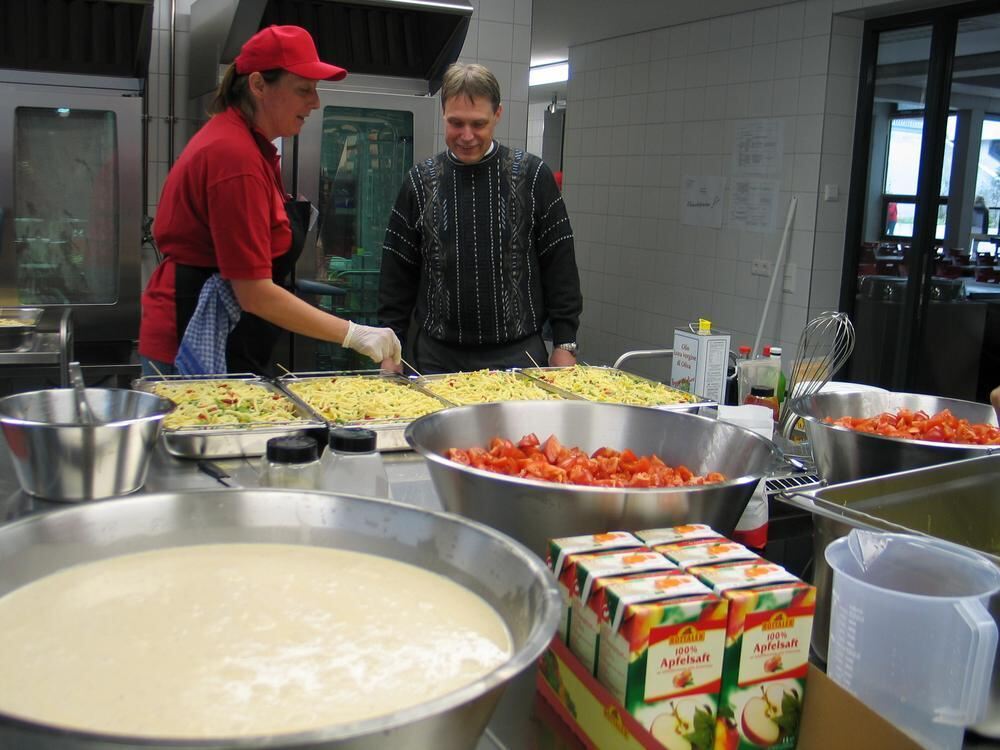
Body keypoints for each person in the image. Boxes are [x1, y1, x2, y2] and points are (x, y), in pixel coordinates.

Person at [139, 25, 400, 376]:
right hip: (188, 340)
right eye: (304, 89)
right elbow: (254, 293)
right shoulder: (233, 157)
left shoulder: (254, 148)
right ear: (259, 85)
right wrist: (352, 333)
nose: (316, 102)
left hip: (223, 332)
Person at [377, 63, 582, 374]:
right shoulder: (420, 181)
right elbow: (397, 273)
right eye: (456, 123)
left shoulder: (533, 175)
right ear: (442, 113)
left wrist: (565, 345)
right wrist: (390, 348)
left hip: (518, 356)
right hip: (436, 358)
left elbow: (560, 263)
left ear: (497, 115)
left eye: (479, 124)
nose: (467, 136)